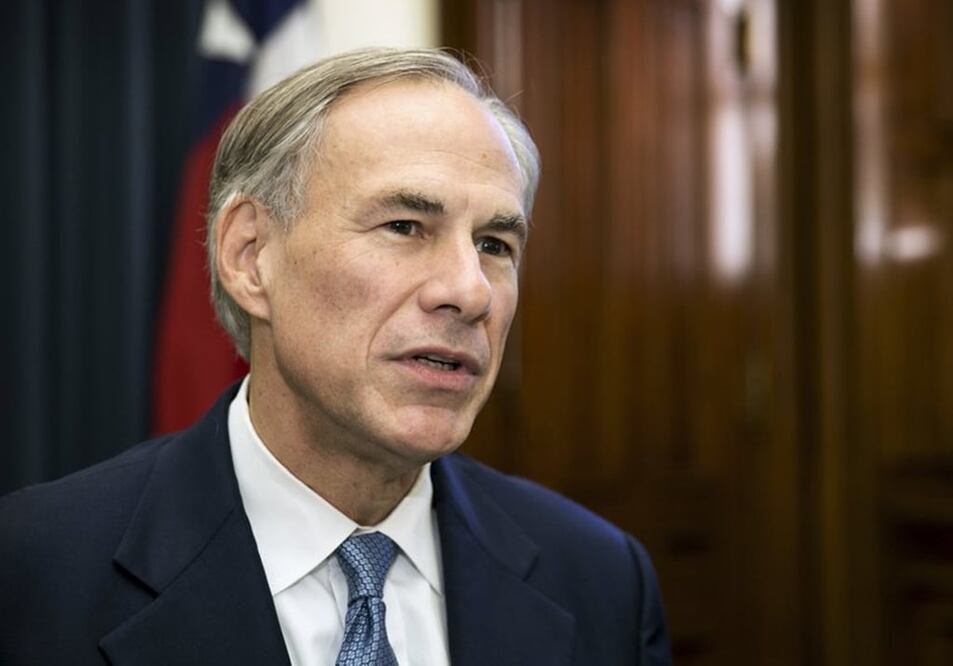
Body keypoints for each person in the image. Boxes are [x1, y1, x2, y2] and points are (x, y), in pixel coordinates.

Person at [0, 48, 671, 666]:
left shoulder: (600, 579)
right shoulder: (35, 569)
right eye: (405, 227)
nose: (469, 292)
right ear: (249, 256)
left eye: (495, 243)